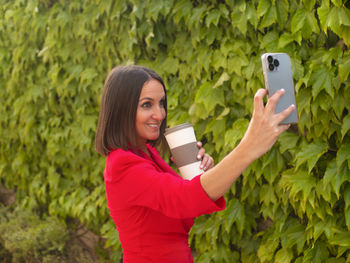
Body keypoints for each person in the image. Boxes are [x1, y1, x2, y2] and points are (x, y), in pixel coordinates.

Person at [95, 65, 294, 262]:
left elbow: (188, 204)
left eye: (161, 103)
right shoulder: (123, 164)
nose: (160, 114)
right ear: (122, 108)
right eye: (147, 104)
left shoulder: (146, 153)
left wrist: (202, 176)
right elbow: (185, 199)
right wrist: (249, 146)